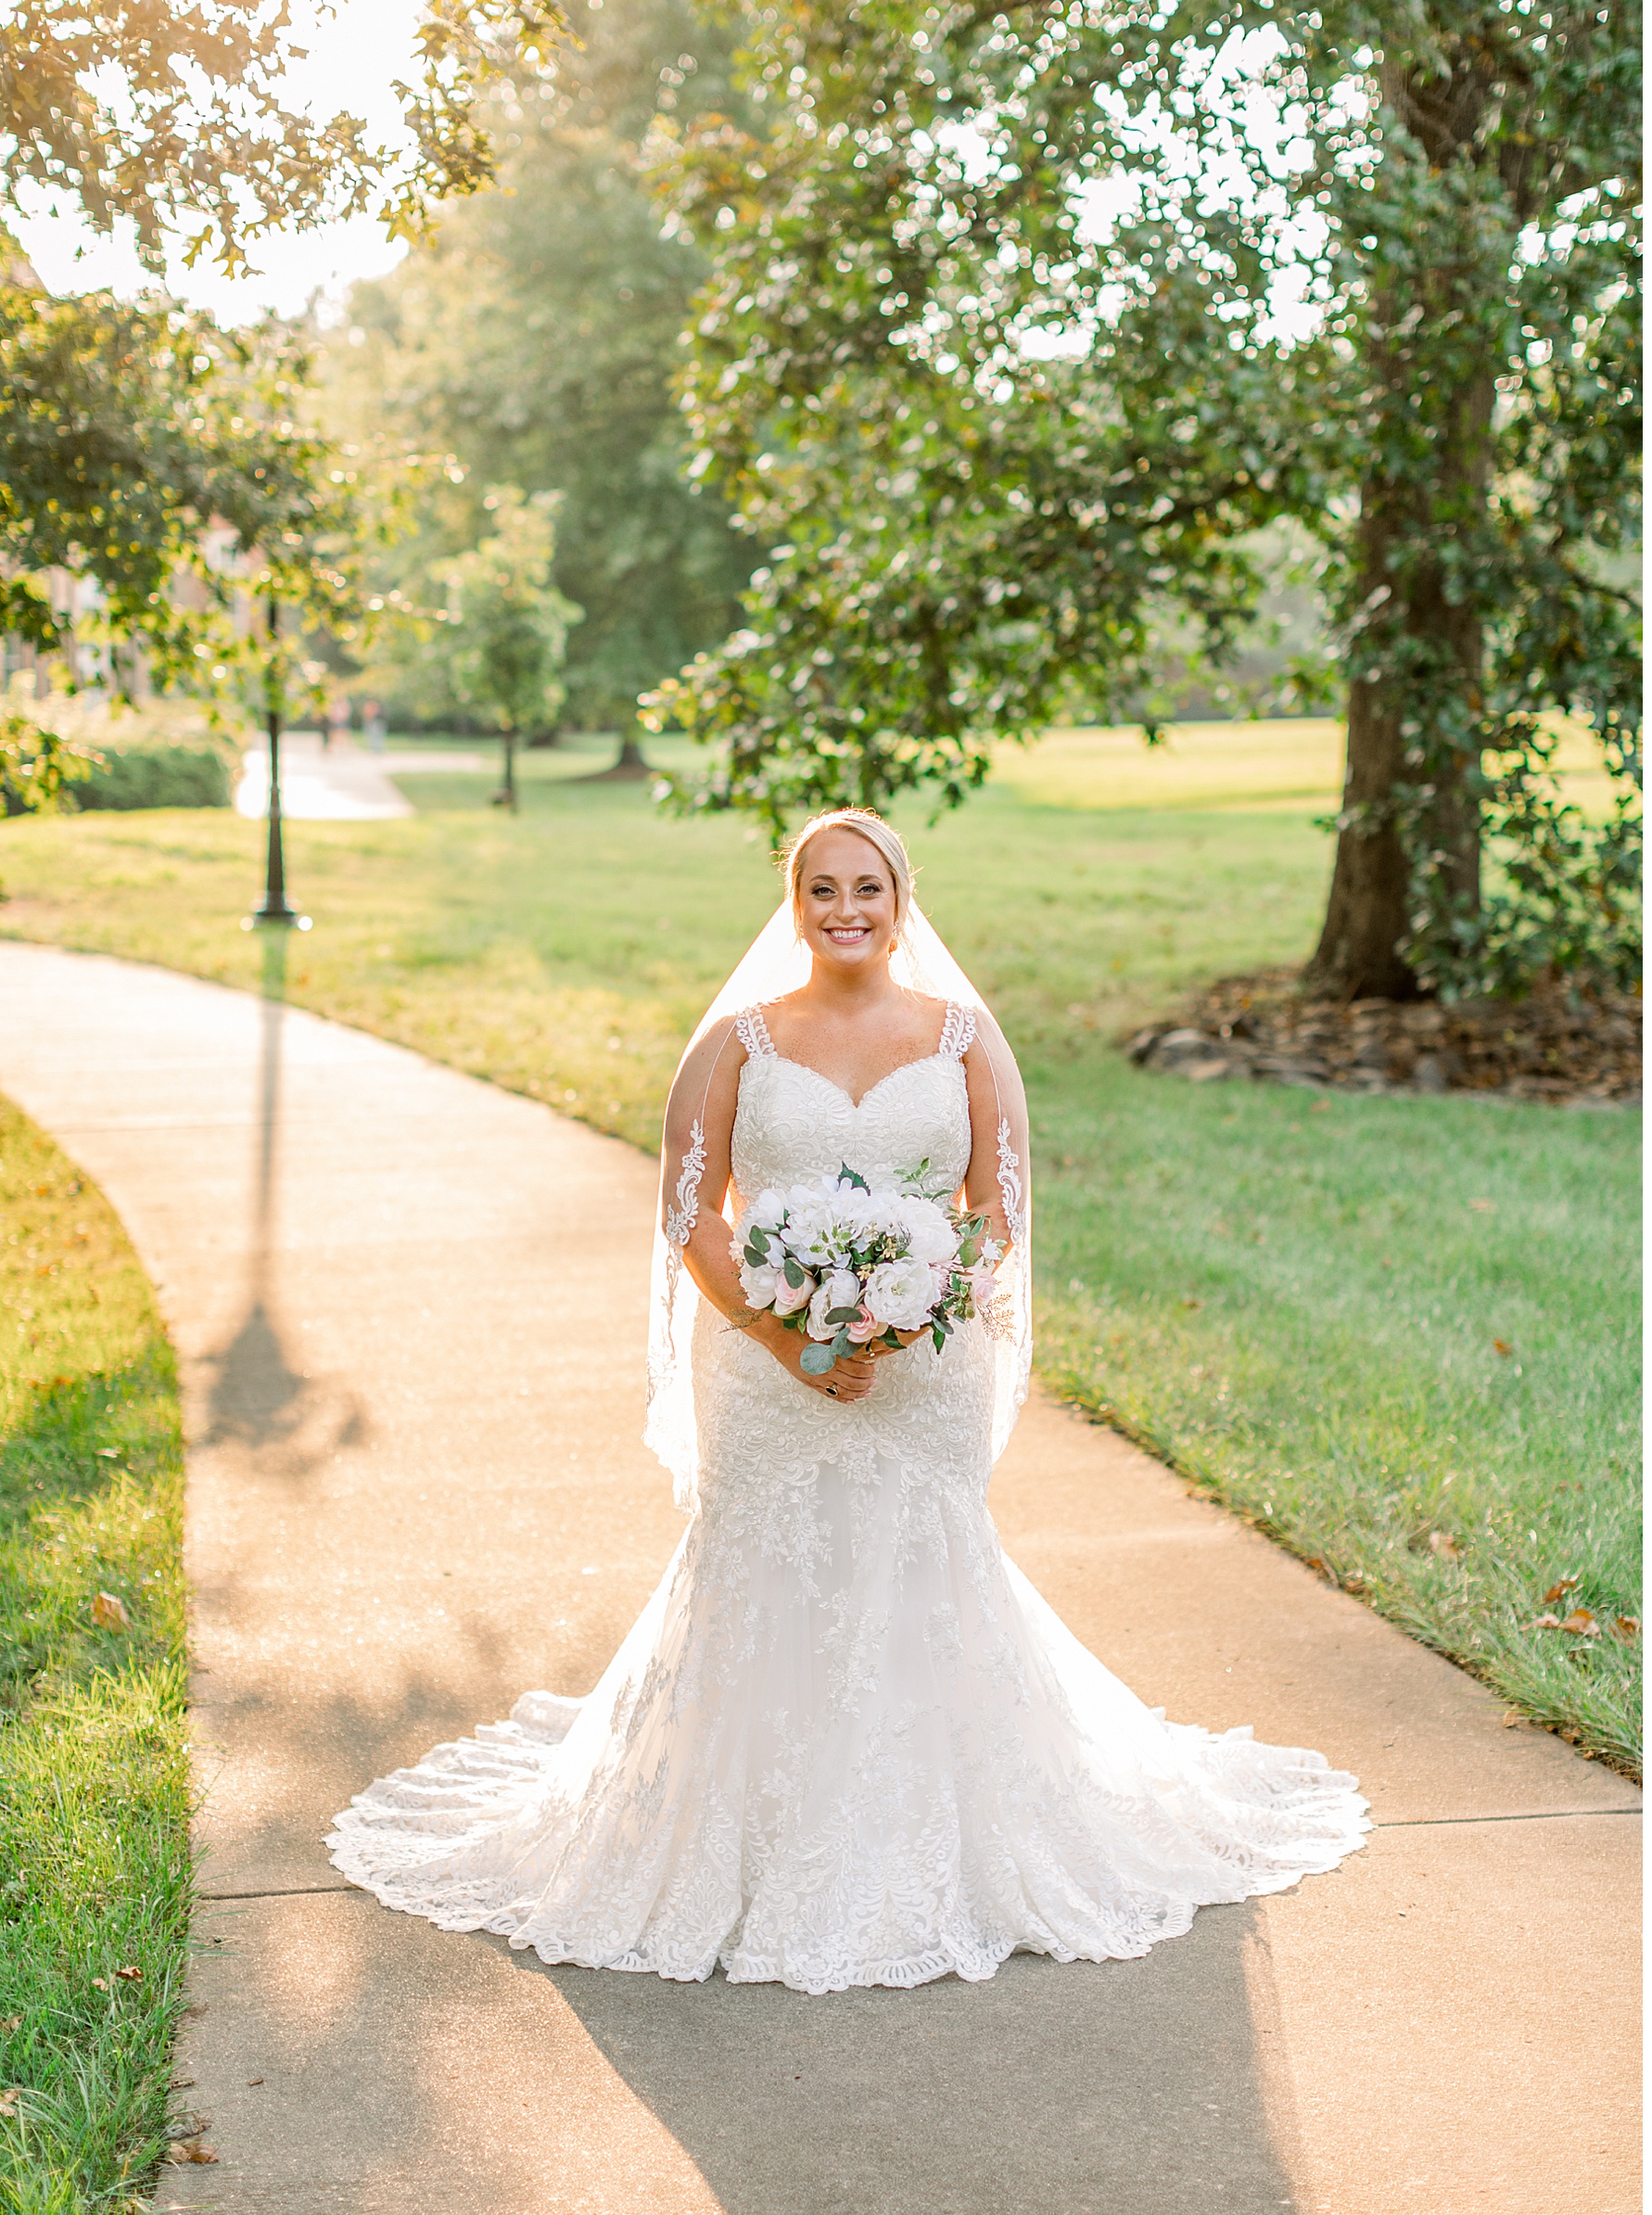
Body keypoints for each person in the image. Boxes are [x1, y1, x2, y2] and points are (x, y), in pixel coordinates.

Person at [327, 810, 1366, 1992]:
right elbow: (691, 1219)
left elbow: (996, 1205)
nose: (845, 909)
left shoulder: (966, 1038)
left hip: (925, 1363)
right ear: (795, 900)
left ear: (902, 895)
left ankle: (937, 1828)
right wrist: (788, 1336)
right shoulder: (737, 1042)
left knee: (918, 1560)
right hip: (765, 1368)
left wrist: (906, 1299)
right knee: (767, 1559)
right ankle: (745, 1837)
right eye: (822, 888)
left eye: (866, 886)